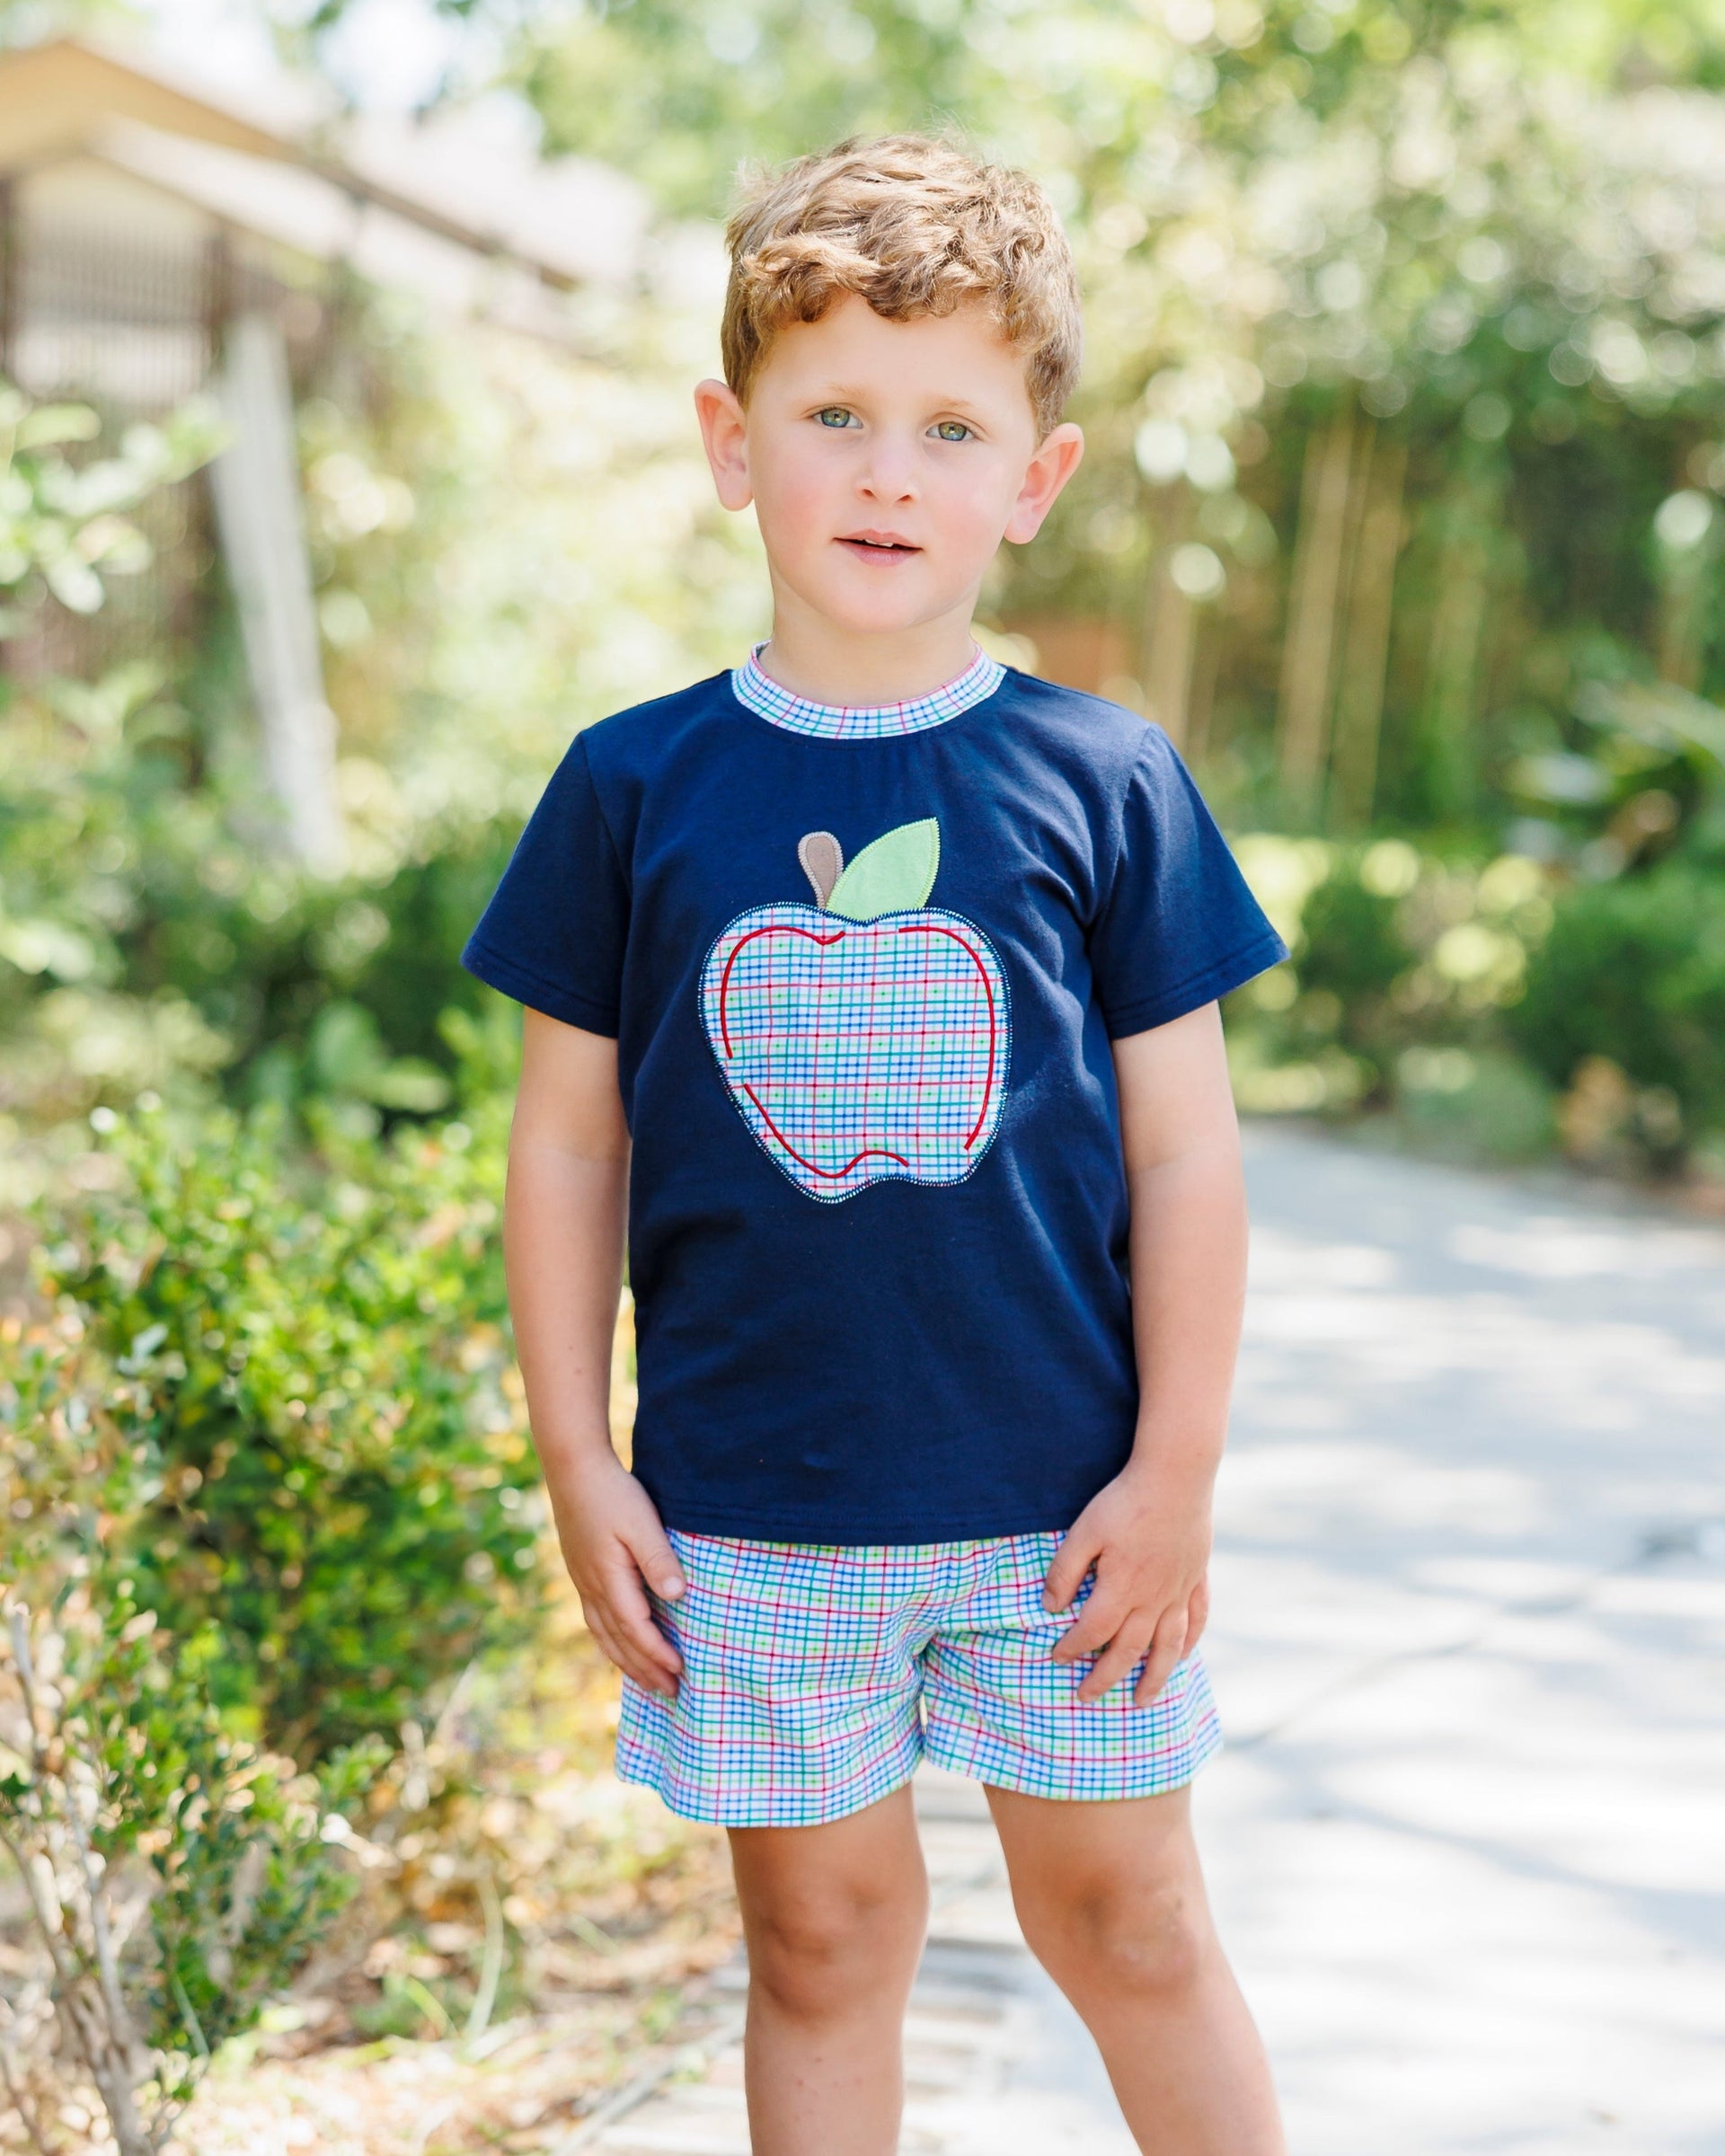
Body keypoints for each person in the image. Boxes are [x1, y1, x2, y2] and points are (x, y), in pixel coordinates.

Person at [461, 131, 1290, 2156]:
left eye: (950, 428)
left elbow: (1187, 1159)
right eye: (833, 414)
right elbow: (567, 1153)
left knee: (1133, 1926)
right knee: (820, 1945)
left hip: (1067, 1510)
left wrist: (1178, 1468)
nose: (889, 474)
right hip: (754, 1508)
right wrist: (577, 1454)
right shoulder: (630, 786)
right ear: (731, 443)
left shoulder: (1105, 778)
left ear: (1037, 477)